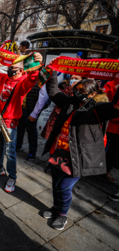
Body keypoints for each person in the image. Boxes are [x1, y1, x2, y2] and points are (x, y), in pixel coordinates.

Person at [42, 72, 119, 230]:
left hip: (77, 158)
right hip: (57, 153)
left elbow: (116, 107)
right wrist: (52, 73)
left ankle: (62, 215)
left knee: (64, 186)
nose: (78, 93)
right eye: (76, 89)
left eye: (82, 91)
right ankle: (56, 208)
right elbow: (53, 92)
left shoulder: (97, 110)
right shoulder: (68, 102)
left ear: (92, 94)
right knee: (56, 185)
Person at [0, 52, 42, 193]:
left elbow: (32, 79)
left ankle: (12, 177)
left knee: (10, 152)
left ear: (21, 70)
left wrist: (36, 66)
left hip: (11, 122)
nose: (10, 69)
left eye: (14, 68)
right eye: (10, 67)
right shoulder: (3, 78)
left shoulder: (23, 81)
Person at [16, 83, 49, 161]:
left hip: (31, 110)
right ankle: (18, 146)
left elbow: (44, 98)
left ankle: (32, 153)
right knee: (20, 128)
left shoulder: (41, 80)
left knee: (31, 131)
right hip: (20, 108)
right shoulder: (25, 77)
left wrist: (35, 113)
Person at [103, 77, 119, 184]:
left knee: (113, 151)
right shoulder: (110, 84)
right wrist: (116, 89)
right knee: (99, 146)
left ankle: (107, 170)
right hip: (108, 123)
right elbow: (104, 99)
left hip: (118, 128)